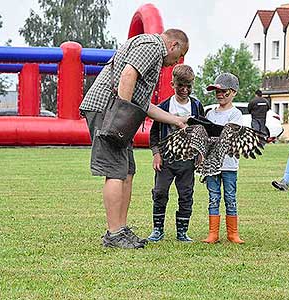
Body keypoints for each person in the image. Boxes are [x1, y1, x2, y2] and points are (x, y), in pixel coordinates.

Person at [79, 29, 190, 249]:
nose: (174, 63)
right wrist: (123, 116)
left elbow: (144, 104)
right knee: (115, 171)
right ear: (173, 45)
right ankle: (114, 234)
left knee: (127, 171)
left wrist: (175, 120)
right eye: (178, 57)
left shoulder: (153, 52)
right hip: (108, 111)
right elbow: (128, 75)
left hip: (117, 111)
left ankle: (121, 229)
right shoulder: (152, 46)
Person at [147, 64, 205, 242]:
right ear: (173, 84)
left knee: (186, 194)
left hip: (187, 161)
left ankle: (182, 232)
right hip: (166, 159)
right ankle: (157, 230)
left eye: (189, 86)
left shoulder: (196, 106)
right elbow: (154, 132)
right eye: (181, 86)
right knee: (160, 192)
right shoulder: (164, 106)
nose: (185, 90)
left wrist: (200, 153)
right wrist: (156, 153)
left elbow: (203, 130)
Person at [201, 73, 245, 244]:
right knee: (213, 196)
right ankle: (213, 233)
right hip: (212, 164)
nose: (219, 95)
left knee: (230, 197)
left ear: (233, 92)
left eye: (223, 91)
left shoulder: (236, 114)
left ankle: (232, 233)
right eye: (216, 92)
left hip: (229, 165)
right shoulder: (210, 113)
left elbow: (230, 135)